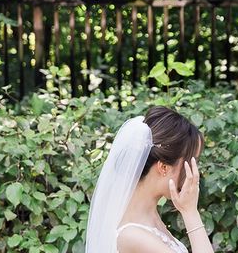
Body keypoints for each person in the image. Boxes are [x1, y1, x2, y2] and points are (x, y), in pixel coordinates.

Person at [85, 106, 214, 253]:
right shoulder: (132, 236)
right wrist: (191, 212)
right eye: (190, 162)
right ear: (164, 167)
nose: (194, 171)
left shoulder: (149, 218)